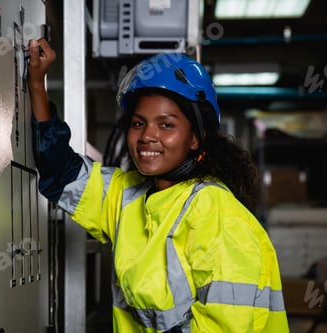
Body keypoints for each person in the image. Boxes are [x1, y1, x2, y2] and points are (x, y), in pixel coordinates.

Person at [27, 38, 289, 333]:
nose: (147, 136)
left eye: (166, 125)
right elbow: (61, 171)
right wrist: (37, 83)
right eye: (138, 123)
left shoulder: (215, 212)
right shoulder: (127, 195)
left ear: (195, 138)